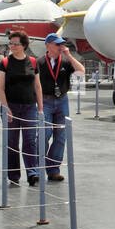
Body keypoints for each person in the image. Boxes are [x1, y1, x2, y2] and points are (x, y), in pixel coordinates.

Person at [0, 31, 43, 187]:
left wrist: (40, 108)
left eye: (15, 43)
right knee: (12, 143)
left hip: (30, 107)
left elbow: (37, 86)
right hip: (11, 106)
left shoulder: (33, 62)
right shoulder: (5, 63)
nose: (12, 46)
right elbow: (0, 88)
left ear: (23, 45)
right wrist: (6, 108)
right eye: (10, 43)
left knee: (30, 141)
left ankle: (32, 173)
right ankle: (14, 175)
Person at [39, 33, 83, 180]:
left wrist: (69, 56)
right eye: (57, 44)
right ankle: (38, 167)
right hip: (45, 101)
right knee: (45, 134)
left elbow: (81, 71)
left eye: (61, 44)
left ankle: (53, 170)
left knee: (61, 135)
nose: (60, 47)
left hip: (61, 101)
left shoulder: (65, 61)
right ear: (48, 45)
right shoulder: (39, 62)